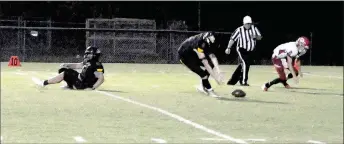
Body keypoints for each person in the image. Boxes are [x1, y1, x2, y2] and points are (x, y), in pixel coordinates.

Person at [32, 46, 105, 90]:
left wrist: (92, 87)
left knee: (66, 73)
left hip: (82, 84)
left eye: (89, 54)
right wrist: (67, 64)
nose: (87, 55)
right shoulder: (89, 62)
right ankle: (70, 86)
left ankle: (44, 83)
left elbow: (101, 78)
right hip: (80, 81)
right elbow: (78, 65)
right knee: (64, 69)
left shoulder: (96, 65)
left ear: (94, 55)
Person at [177, 32, 224, 97]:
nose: (214, 39)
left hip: (193, 54)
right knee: (203, 74)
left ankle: (202, 84)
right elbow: (205, 63)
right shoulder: (199, 43)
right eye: (212, 38)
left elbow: (212, 56)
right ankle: (210, 91)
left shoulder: (207, 41)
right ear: (207, 38)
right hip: (185, 57)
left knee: (211, 64)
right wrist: (216, 79)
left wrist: (219, 70)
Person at [225, 15, 262, 86]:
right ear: (244, 23)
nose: (248, 25)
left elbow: (260, 37)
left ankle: (232, 80)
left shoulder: (254, 28)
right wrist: (228, 48)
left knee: (243, 65)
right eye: (247, 24)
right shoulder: (239, 30)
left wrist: (256, 37)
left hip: (250, 51)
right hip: (241, 49)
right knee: (245, 63)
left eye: (249, 23)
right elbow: (232, 39)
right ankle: (243, 81)